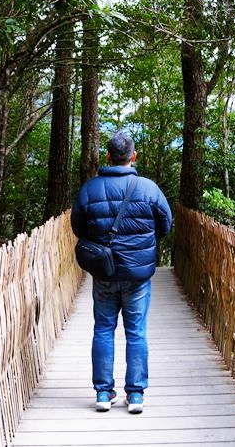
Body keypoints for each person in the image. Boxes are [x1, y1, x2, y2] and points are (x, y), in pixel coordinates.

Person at [70, 130, 172, 414]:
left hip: (104, 272)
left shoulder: (90, 189)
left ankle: (103, 392)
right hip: (138, 276)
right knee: (136, 332)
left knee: (103, 329)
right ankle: (135, 394)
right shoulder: (149, 189)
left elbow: (78, 228)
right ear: (133, 157)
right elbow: (165, 226)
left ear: (108, 157)